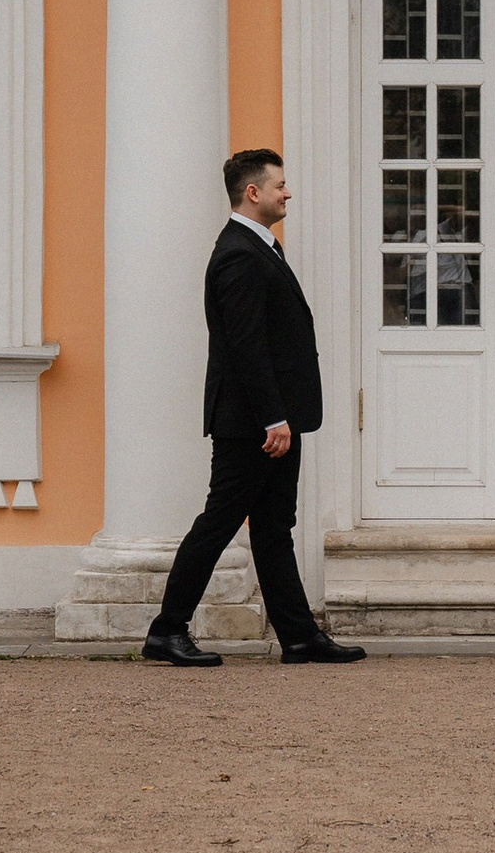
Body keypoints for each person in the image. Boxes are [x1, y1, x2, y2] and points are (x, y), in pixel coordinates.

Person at [141, 149, 368, 670]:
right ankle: (167, 630)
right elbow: (246, 346)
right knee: (219, 522)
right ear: (253, 192)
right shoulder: (240, 254)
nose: (287, 193)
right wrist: (273, 418)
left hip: (272, 418)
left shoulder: (256, 247)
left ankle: (299, 637)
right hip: (254, 424)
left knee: (272, 527)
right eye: (280, 185)